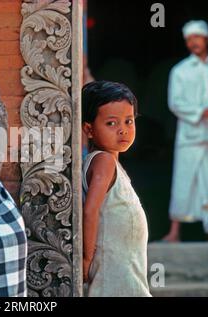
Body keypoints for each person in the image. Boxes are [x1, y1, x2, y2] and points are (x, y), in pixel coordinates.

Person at [81, 81, 151, 297]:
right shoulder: (104, 161)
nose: (123, 130)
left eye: (129, 121)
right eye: (111, 123)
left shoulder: (112, 163)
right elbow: (90, 211)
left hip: (125, 269)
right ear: (89, 129)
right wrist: (86, 258)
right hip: (113, 272)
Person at [161, 20, 208, 242]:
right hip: (190, 136)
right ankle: (174, 231)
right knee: (183, 181)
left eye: (197, 37)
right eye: (189, 39)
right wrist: (201, 112)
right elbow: (175, 103)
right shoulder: (180, 71)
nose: (193, 42)